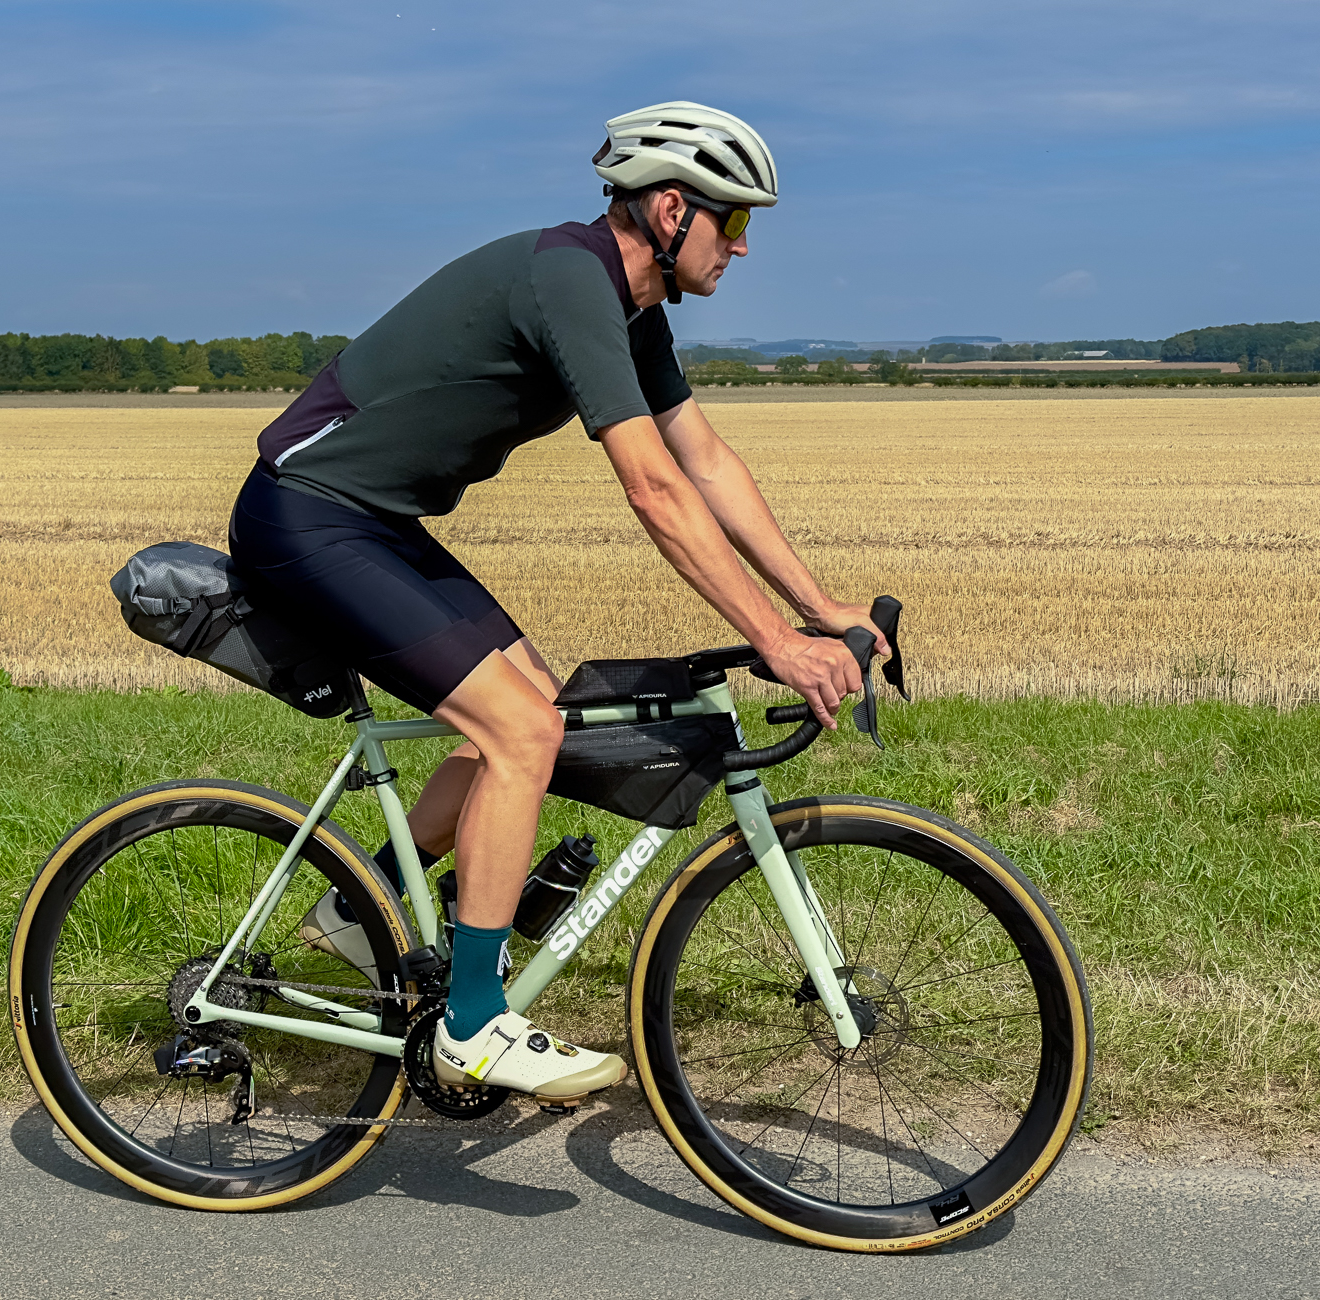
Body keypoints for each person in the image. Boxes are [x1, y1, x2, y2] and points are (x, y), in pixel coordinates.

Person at [228, 102, 890, 1107]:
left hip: (374, 519)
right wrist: (773, 643)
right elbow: (653, 488)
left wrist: (819, 606)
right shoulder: (570, 277)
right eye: (735, 223)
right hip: (306, 514)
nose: (743, 247)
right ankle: (473, 1025)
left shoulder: (633, 309)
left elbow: (705, 460)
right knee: (521, 728)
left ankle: (361, 918)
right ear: (671, 210)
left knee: (536, 699)